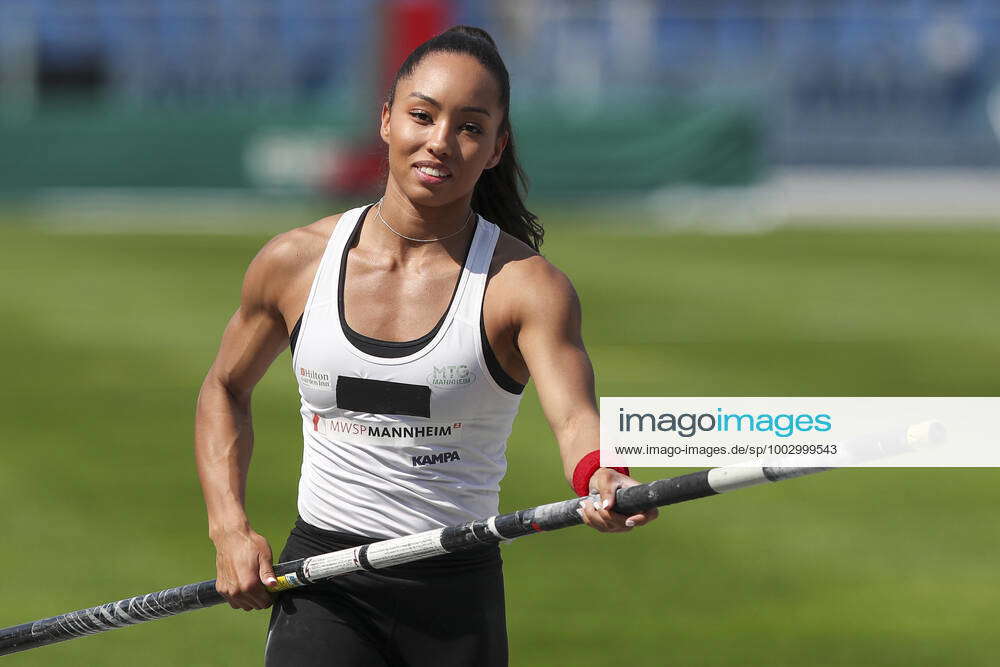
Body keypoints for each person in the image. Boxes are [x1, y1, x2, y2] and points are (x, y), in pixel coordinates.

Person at [194, 25, 659, 666]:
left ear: (496, 148)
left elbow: (576, 415)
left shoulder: (524, 288)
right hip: (323, 587)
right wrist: (229, 529)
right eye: (422, 115)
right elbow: (224, 387)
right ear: (386, 119)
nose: (440, 141)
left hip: (455, 597)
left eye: (470, 127)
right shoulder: (295, 262)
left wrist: (597, 473)